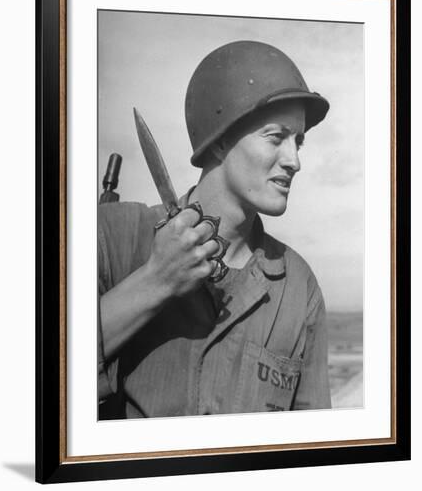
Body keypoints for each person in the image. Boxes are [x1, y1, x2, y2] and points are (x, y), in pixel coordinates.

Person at [98, 40, 332, 419]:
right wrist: (157, 279)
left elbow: (314, 445)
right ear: (221, 140)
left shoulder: (299, 288)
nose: (295, 161)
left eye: (299, 141)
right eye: (276, 137)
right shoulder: (114, 236)